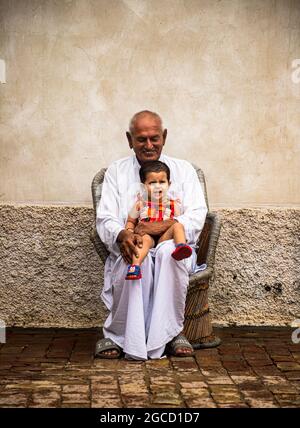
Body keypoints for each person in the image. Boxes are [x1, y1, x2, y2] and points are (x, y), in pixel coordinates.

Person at [95, 110, 208, 360]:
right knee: (137, 255)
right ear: (129, 139)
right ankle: (121, 335)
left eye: (154, 138)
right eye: (141, 139)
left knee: (169, 253)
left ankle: (171, 334)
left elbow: (197, 214)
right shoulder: (117, 172)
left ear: (164, 137)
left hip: (172, 243)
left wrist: (158, 229)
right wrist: (122, 234)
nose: (148, 145)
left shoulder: (184, 169)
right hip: (135, 244)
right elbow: (105, 218)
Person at [124, 160, 193, 280]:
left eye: (162, 182)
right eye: (152, 183)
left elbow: (175, 220)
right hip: (147, 236)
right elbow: (131, 221)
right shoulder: (140, 204)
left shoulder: (173, 205)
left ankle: (181, 247)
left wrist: (177, 232)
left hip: (164, 238)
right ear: (143, 186)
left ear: (169, 184)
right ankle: (135, 266)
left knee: (178, 225)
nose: (157, 186)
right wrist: (129, 232)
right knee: (143, 240)